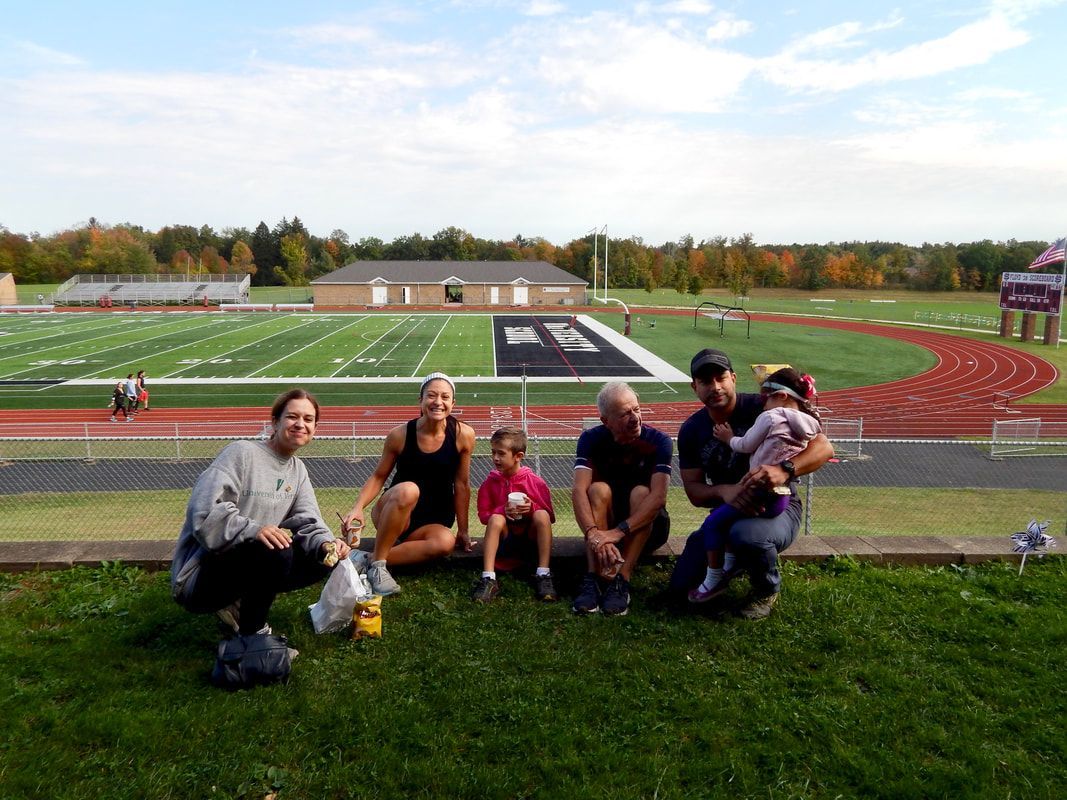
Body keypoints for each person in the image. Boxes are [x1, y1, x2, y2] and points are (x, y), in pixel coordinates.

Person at [170, 389, 351, 642]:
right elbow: (204, 512)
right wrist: (255, 530)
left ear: (315, 428)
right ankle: (253, 634)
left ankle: (240, 604)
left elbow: (308, 520)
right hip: (200, 577)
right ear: (275, 422)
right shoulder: (241, 453)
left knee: (321, 558)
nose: (300, 424)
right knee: (275, 549)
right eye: (292, 417)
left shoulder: (297, 470)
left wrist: (326, 544)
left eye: (308, 419)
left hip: (247, 564)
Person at [671, 349, 834, 619]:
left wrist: (785, 470)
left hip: (777, 506)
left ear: (733, 378)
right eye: (705, 381)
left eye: (721, 377)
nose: (715, 387)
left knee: (748, 537)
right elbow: (694, 492)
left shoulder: (765, 406)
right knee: (680, 587)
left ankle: (765, 589)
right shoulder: (692, 430)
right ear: (694, 387)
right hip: (730, 510)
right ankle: (731, 565)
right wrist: (726, 491)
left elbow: (824, 447)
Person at [344, 372, 476, 597]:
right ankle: (378, 569)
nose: (438, 402)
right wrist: (358, 508)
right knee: (409, 489)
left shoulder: (464, 435)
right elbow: (378, 476)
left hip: (432, 521)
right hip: (396, 513)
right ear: (421, 400)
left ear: (453, 403)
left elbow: (462, 484)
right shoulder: (400, 435)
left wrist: (463, 530)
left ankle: (368, 558)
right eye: (431, 395)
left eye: (445, 397)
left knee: (445, 542)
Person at [571, 381, 672, 616]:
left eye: (636, 409)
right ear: (606, 421)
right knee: (597, 490)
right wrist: (594, 534)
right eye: (625, 413)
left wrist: (615, 534)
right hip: (606, 524)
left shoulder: (659, 441)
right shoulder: (590, 439)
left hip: (646, 528)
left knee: (642, 493)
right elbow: (578, 490)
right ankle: (594, 576)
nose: (635, 418)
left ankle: (622, 579)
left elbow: (659, 498)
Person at [471, 426, 557, 603]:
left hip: (530, 540)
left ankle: (543, 574)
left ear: (518, 456)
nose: (495, 458)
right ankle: (488, 578)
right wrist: (502, 510)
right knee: (496, 518)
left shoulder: (536, 482)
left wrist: (532, 508)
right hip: (505, 541)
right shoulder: (489, 483)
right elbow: (484, 516)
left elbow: (549, 517)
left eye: (501, 454)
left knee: (541, 515)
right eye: (493, 452)